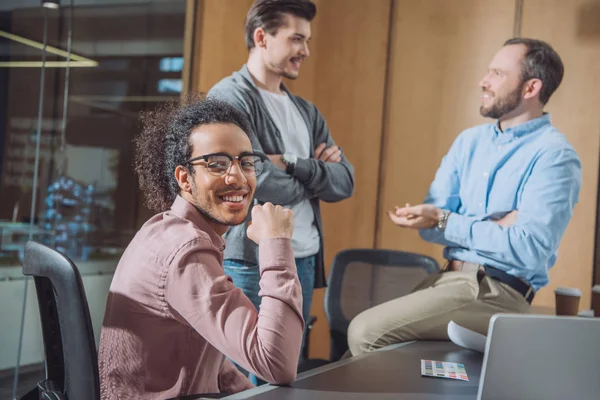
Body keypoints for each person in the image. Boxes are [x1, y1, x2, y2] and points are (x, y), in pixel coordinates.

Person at [347, 38, 582, 355]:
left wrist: (449, 220)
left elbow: (528, 250)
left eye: (497, 73)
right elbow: (431, 225)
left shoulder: (554, 156)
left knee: (364, 333)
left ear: (531, 88)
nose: (483, 82)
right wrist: (491, 225)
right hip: (447, 280)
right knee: (349, 362)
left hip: (497, 292)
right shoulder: (468, 142)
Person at [97, 96, 304, 399]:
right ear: (185, 178)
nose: (237, 176)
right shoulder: (185, 251)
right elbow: (278, 363)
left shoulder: (170, 230)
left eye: (246, 162)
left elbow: (208, 359)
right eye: (217, 164)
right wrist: (276, 242)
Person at [208, 0, 355, 363]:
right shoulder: (230, 97)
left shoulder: (307, 111)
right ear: (262, 37)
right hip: (251, 261)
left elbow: (345, 182)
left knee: (287, 368)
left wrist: (289, 163)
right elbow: (254, 181)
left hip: (303, 257)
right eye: (296, 39)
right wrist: (313, 173)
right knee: (248, 374)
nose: (305, 50)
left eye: (306, 40)